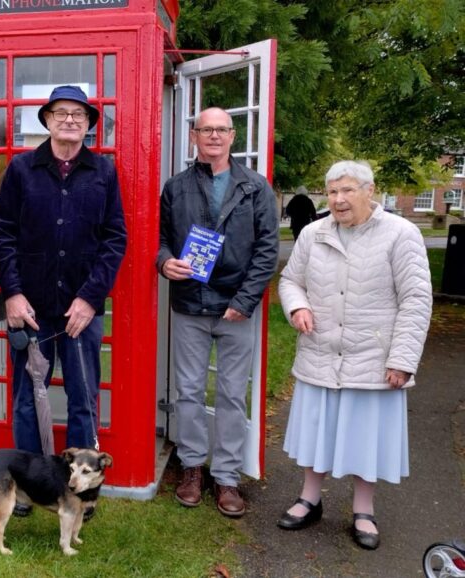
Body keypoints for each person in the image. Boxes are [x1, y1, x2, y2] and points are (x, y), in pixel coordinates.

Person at [276, 161, 432, 550]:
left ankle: (363, 510)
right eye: (331, 192)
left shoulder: (402, 233)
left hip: (374, 357)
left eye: (347, 190)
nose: (338, 199)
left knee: (366, 437)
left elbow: (416, 299)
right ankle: (309, 499)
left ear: (370, 190)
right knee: (317, 431)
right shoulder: (313, 233)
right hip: (321, 351)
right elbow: (290, 280)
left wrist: (403, 358)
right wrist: (297, 307)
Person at [0, 85, 127, 516]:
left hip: (80, 310)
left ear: (89, 125)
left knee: (83, 397)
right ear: (46, 121)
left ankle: (82, 492)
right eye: (61, 113)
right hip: (29, 307)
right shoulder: (22, 169)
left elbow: (115, 239)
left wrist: (90, 298)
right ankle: (29, 488)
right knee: (28, 397)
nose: (70, 121)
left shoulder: (103, 171)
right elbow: (3, 234)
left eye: (78, 115)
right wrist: (12, 293)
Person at [157, 107, 279, 517]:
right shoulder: (176, 187)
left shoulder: (255, 187)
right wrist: (164, 262)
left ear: (233, 136)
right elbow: (160, 240)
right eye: (205, 129)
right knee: (188, 391)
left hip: (235, 307)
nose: (213, 136)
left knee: (231, 394)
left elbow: (267, 250)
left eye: (221, 130)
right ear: (194, 136)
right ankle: (193, 468)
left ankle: (226, 476)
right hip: (190, 303)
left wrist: (244, 302)